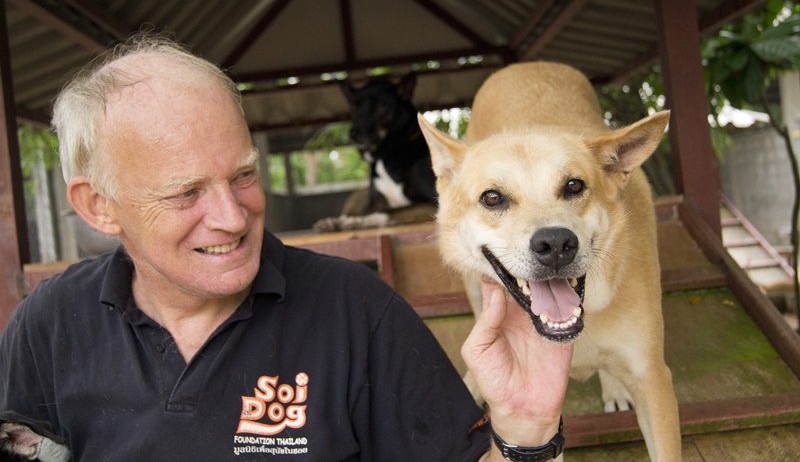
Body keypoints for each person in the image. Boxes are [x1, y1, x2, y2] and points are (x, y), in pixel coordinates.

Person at [0, 34, 572, 461]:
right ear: (99, 206)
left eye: (244, 176)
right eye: (186, 192)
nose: (232, 217)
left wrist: (525, 429)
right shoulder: (50, 325)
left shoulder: (359, 312)